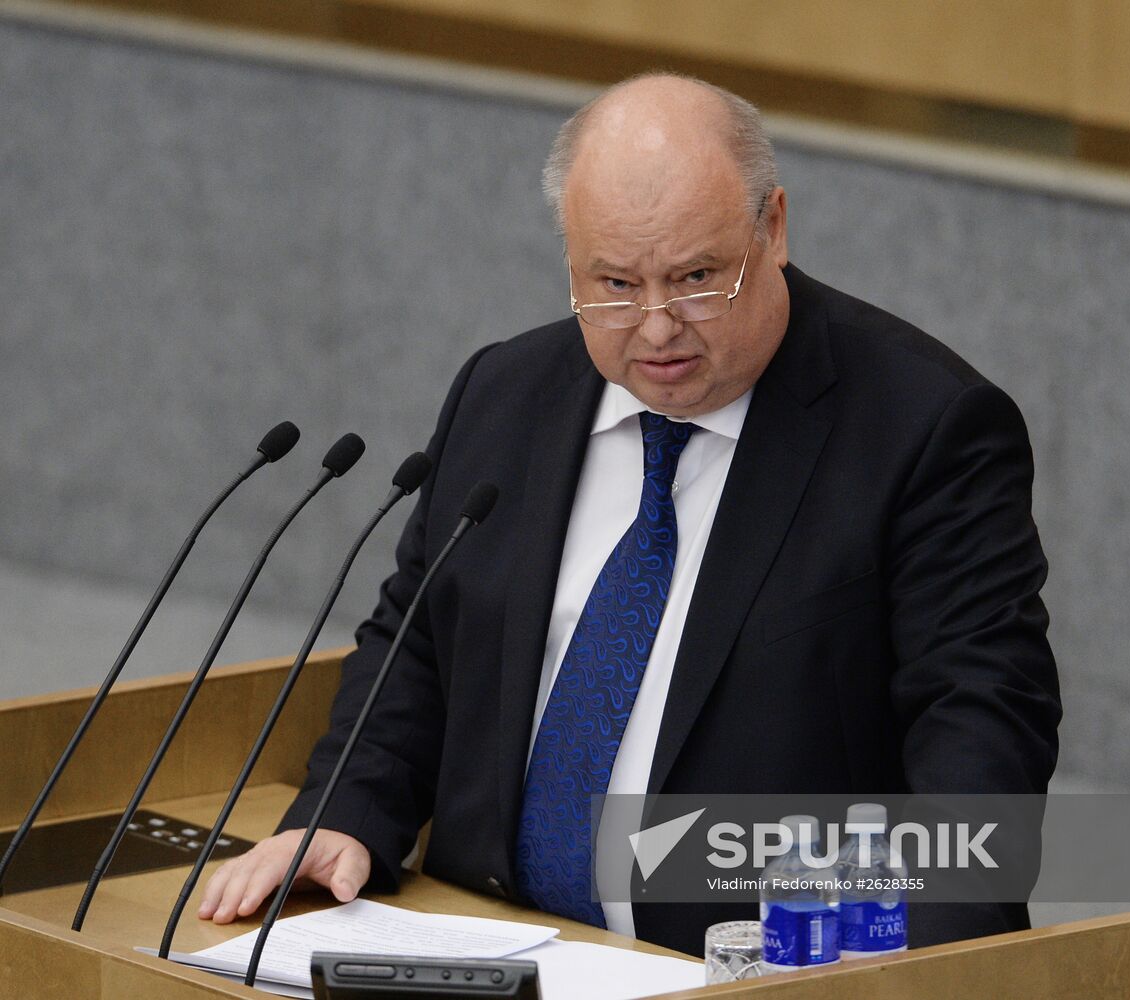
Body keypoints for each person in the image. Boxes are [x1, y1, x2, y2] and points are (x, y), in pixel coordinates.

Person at [199, 73, 1060, 956]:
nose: (655, 328)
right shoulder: (504, 394)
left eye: (694, 278)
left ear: (772, 229)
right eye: (614, 282)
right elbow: (417, 640)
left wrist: (919, 971)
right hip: (493, 947)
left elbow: (979, 729)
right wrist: (345, 813)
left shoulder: (923, 428)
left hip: (757, 966)